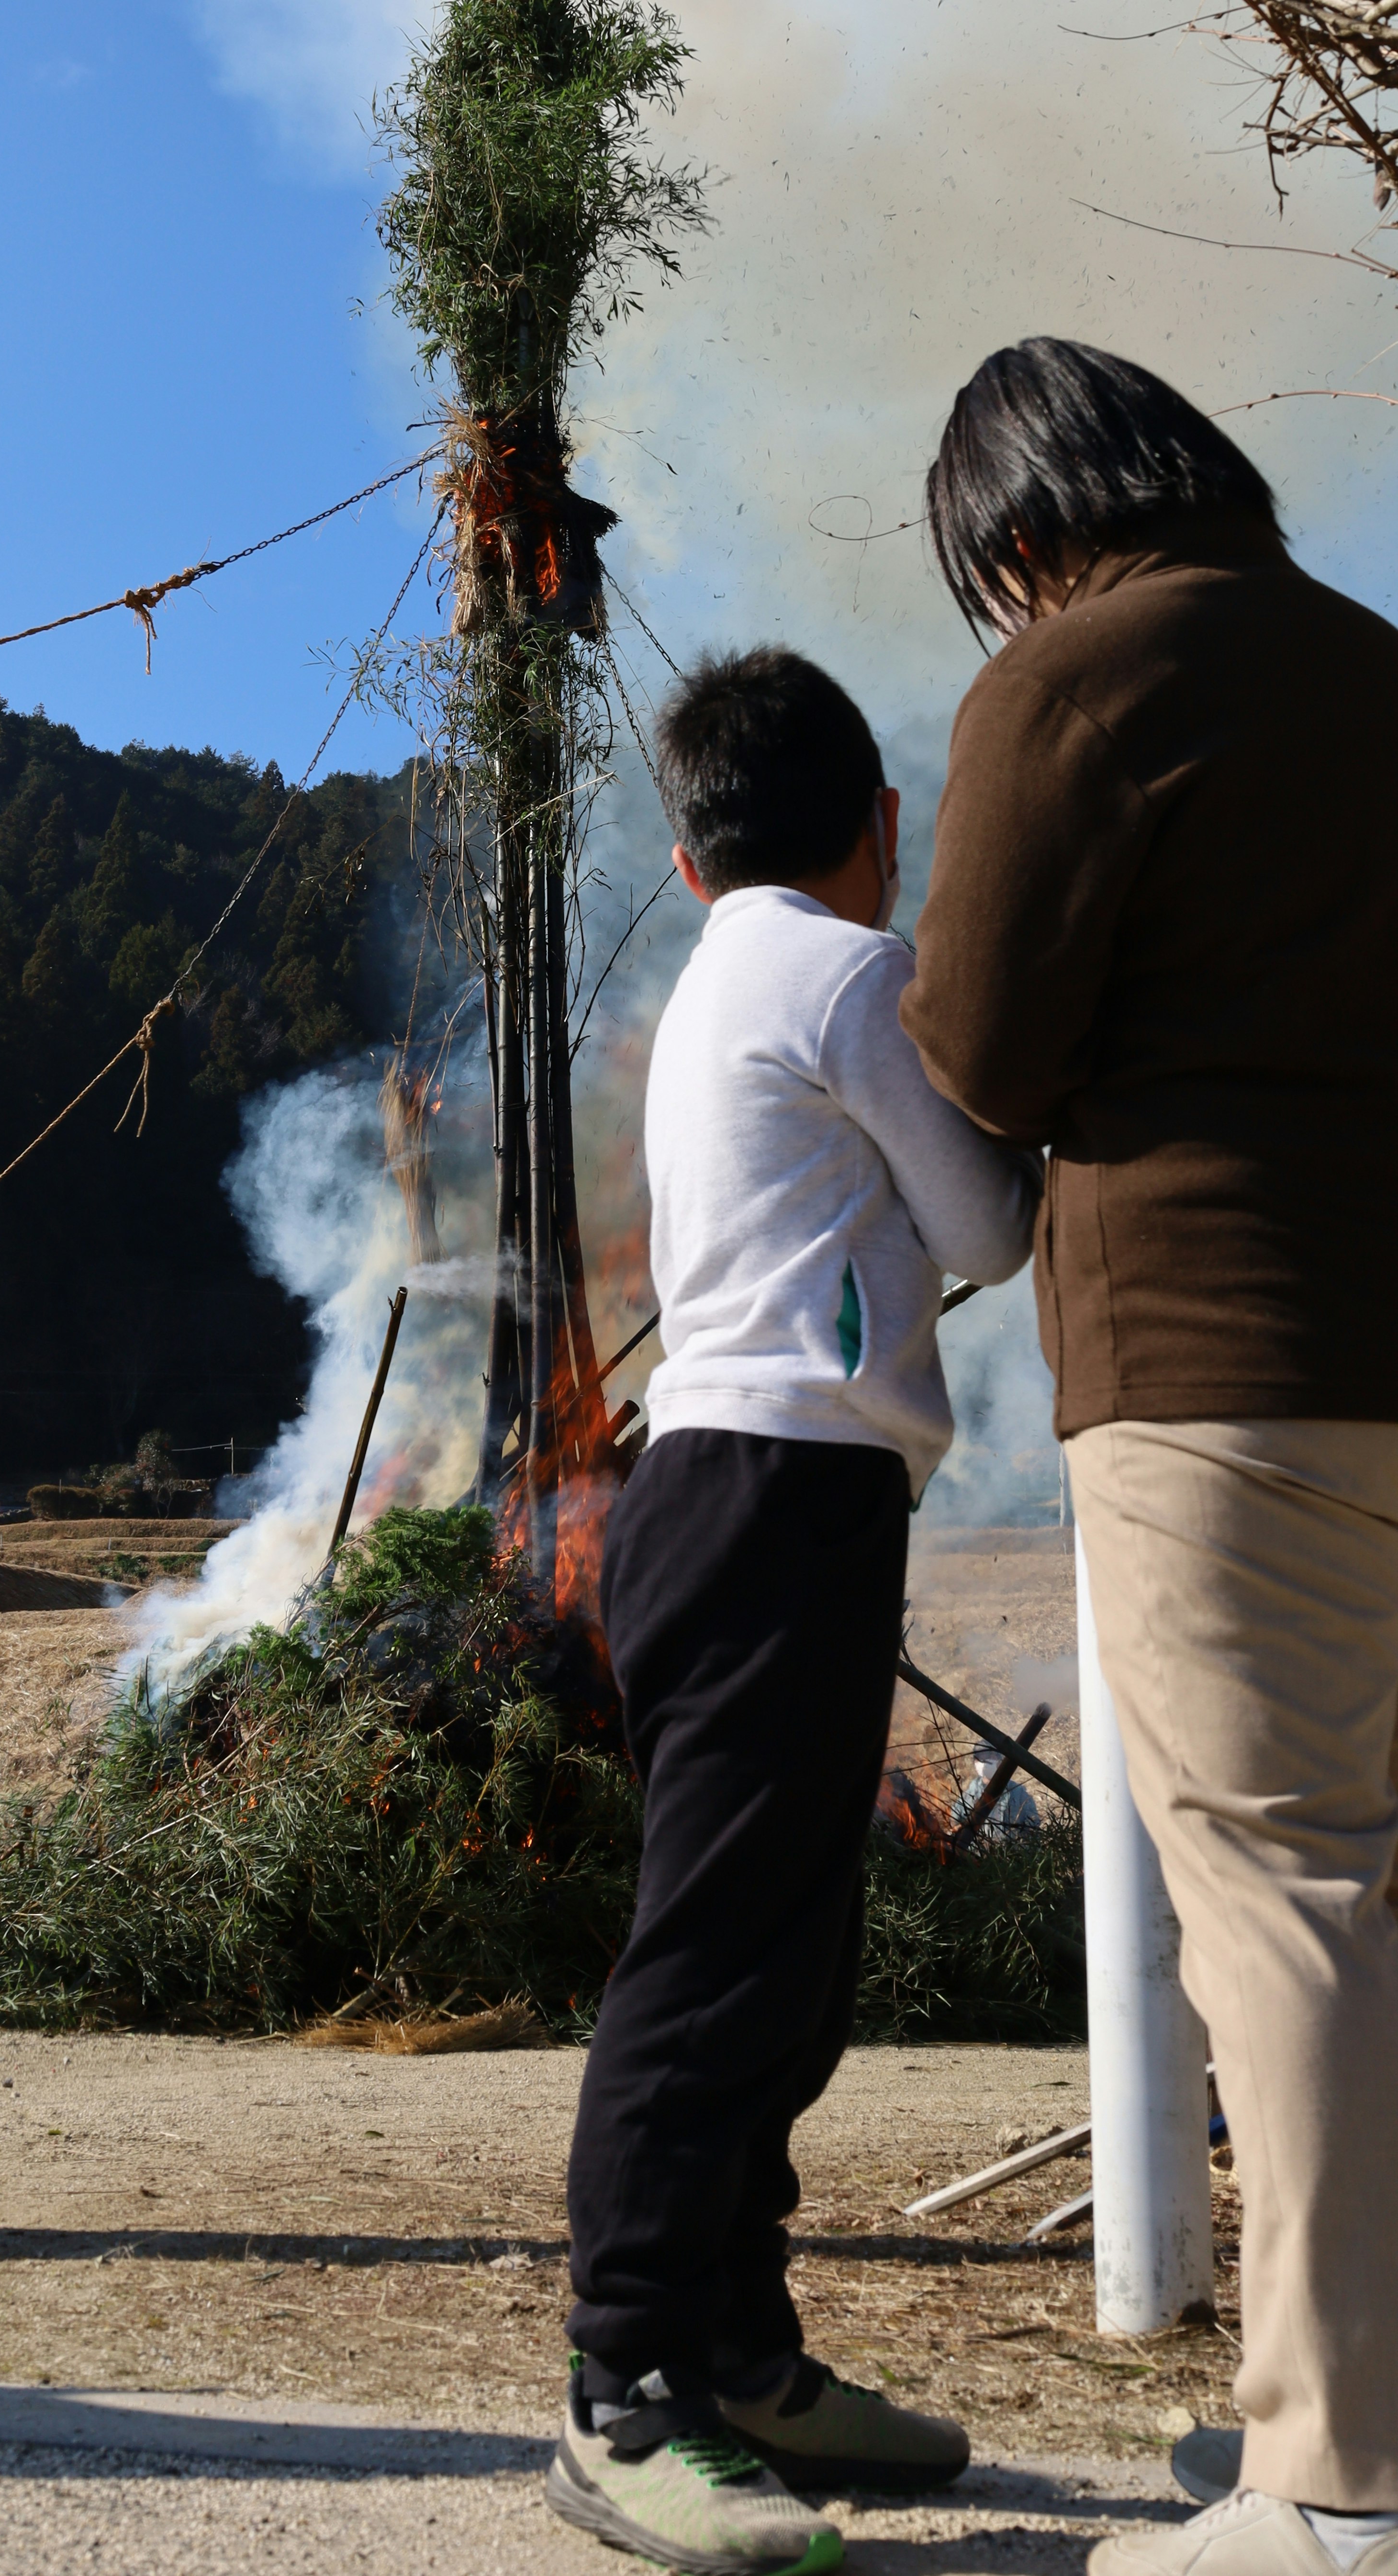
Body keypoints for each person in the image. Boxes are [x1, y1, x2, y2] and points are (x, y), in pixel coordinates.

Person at [902, 337, 1398, 2576]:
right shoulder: (1372, 663)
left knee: (1290, 1894)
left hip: (1218, 1358)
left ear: (1019, 537)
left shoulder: (1075, 675)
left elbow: (985, 1045)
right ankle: (1335, 2400)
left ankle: (1339, 2480)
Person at [548, 647, 1040, 2575]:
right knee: (714, 1960)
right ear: (884, 823)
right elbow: (991, 1223)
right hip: (772, 1494)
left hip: (730, 1493)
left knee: (781, 1947)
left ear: (685, 858)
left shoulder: (710, 979)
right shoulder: (847, 969)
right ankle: (622, 2391)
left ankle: (740, 2348)